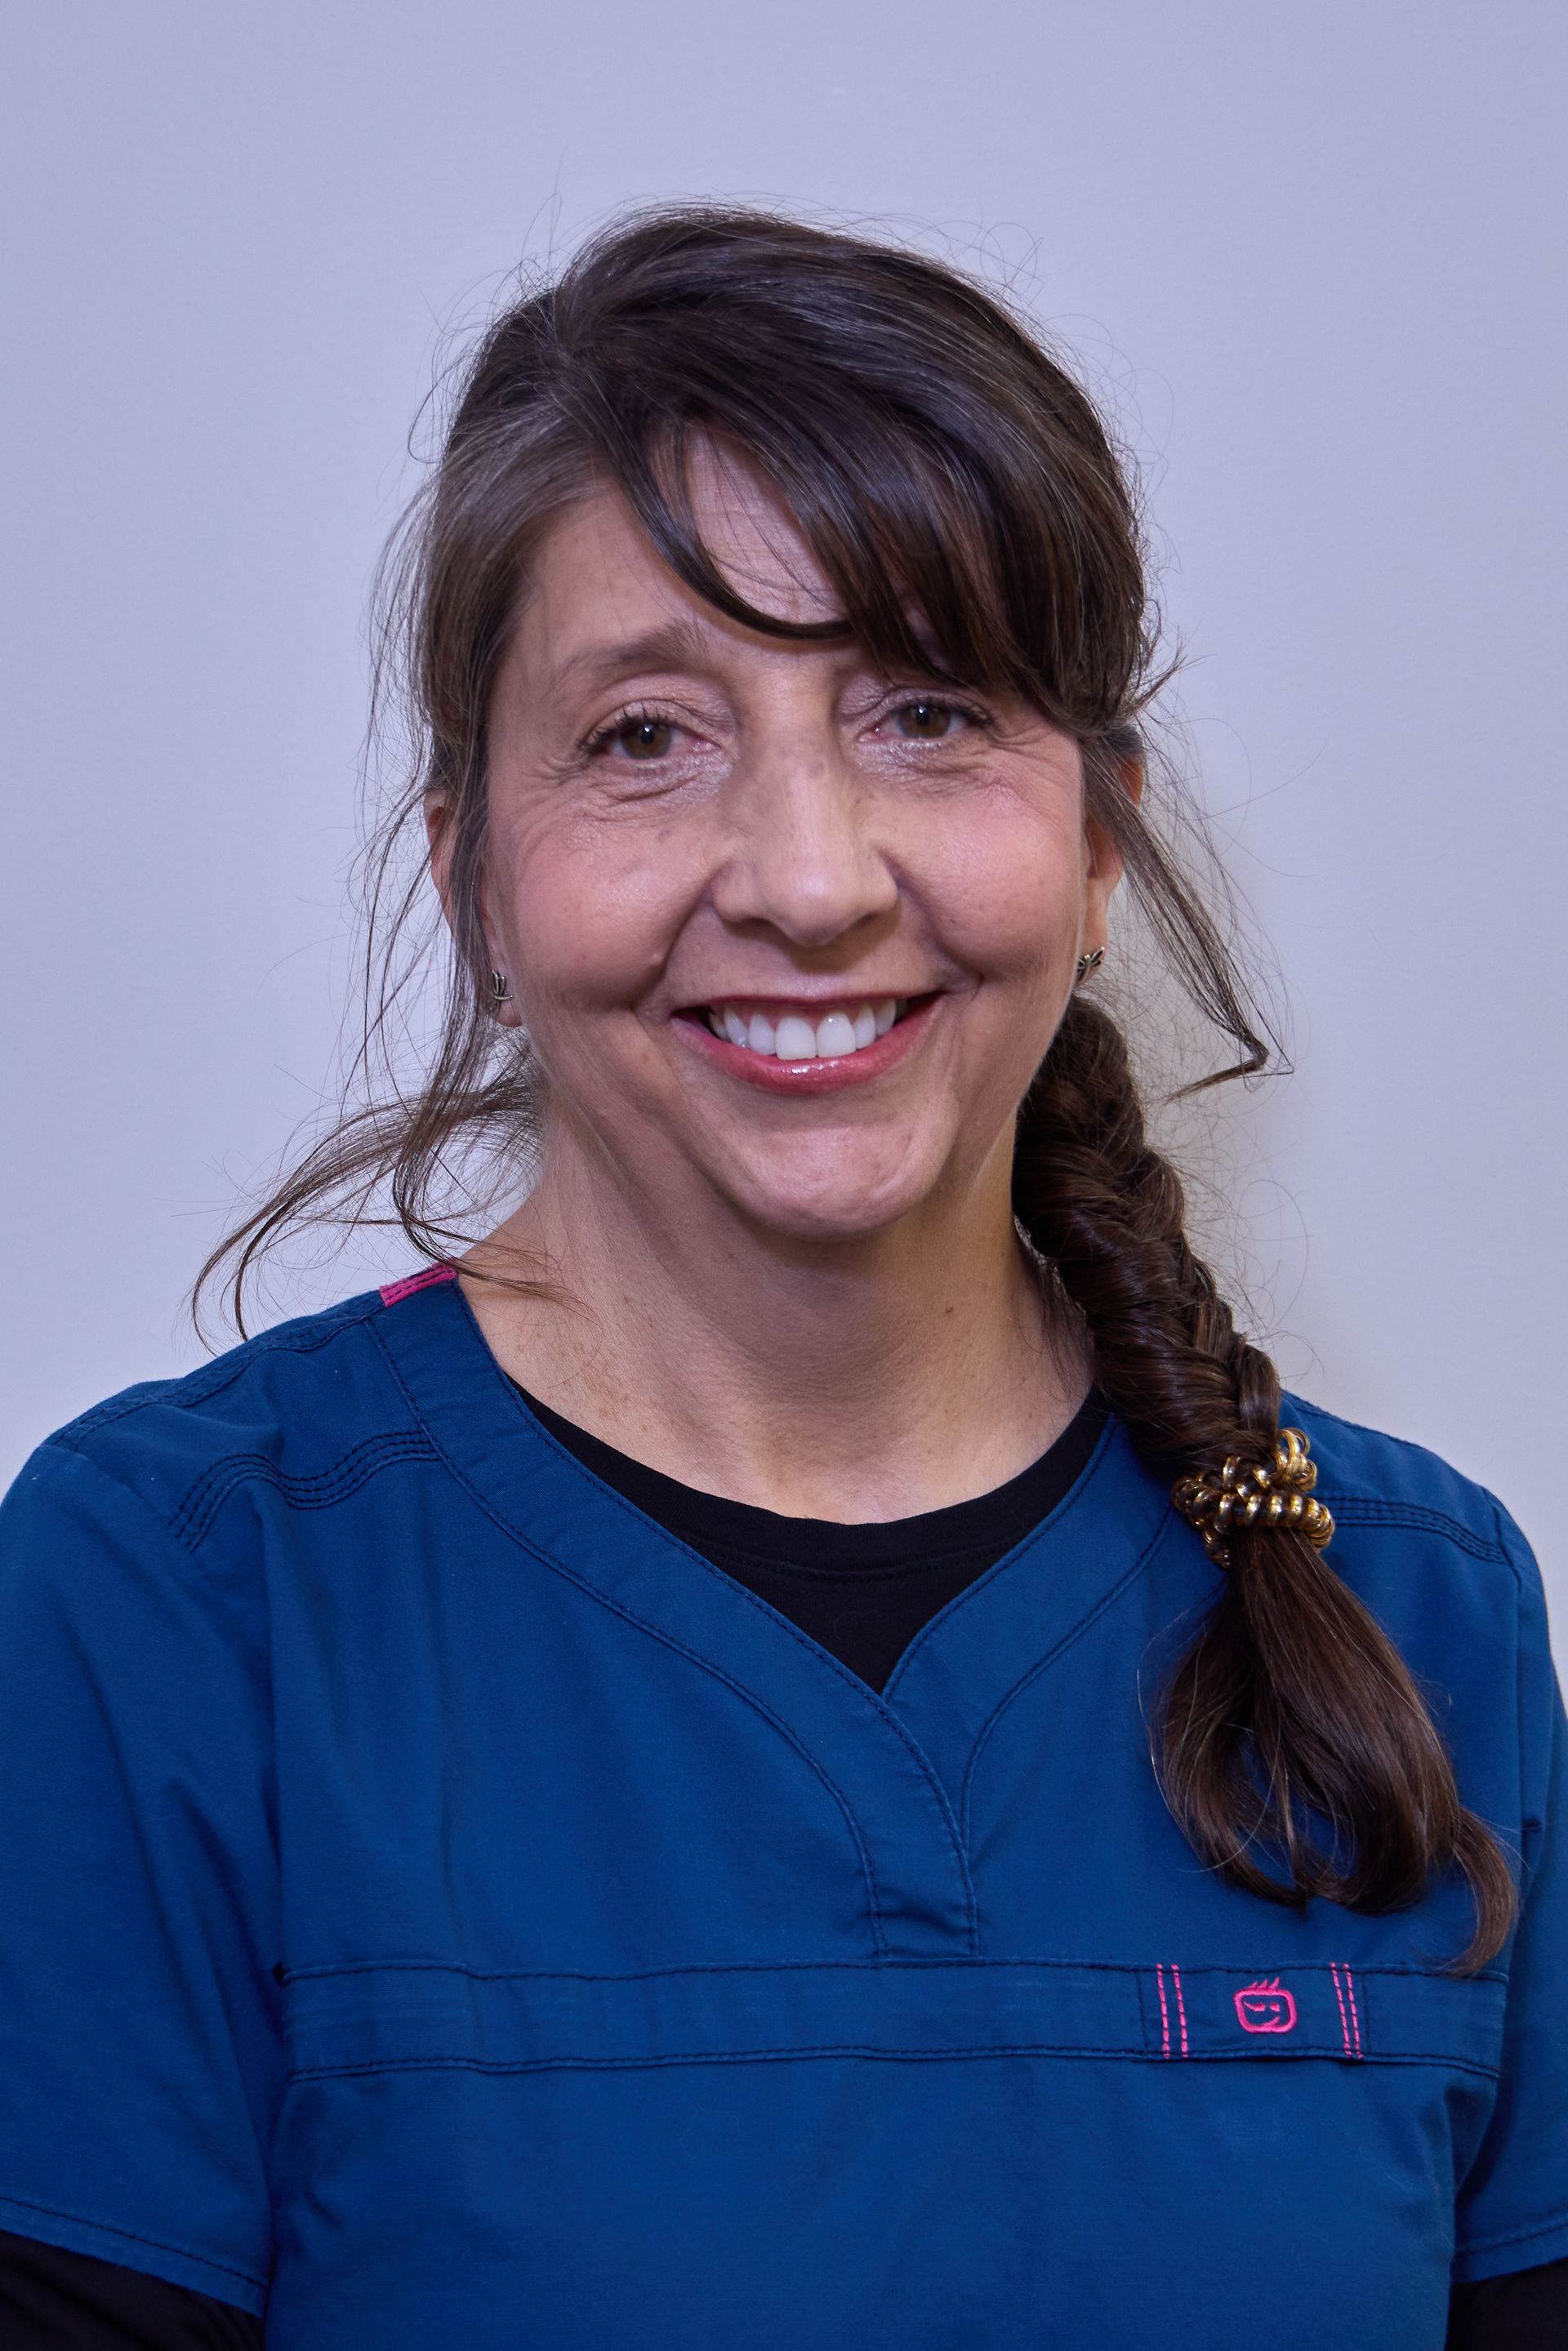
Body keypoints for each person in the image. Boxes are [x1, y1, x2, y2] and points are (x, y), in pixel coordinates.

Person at [0, 207, 1562, 2351]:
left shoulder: (1423, 1613)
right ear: (470, 875)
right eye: (647, 735)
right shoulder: (176, 1600)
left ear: (1097, 842)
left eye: (927, 710)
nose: (813, 879)